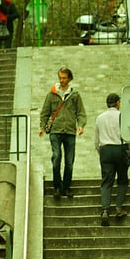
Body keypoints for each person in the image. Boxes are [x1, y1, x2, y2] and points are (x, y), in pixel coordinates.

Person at [39, 67, 87, 199]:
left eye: (64, 78)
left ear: (69, 78)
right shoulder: (51, 95)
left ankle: (66, 187)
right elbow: (44, 113)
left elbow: (81, 113)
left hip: (70, 131)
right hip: (56, 131)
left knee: (69, 161)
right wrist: (42, 127)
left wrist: (81, 126)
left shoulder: (75, 95)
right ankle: (57, 187)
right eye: (60, 77)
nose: (62, 80)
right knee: (56, 157)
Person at [94, 92, 130, 226]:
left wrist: (102, 153)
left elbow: (96, 141)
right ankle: (119, 207)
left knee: (106, 181)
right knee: (122, 179)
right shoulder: (123, 116)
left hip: (105, 150)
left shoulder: (99, 118)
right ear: (117, 103)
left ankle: (105, 210)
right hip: (120, 149)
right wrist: (129, 151)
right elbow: (129, 137)